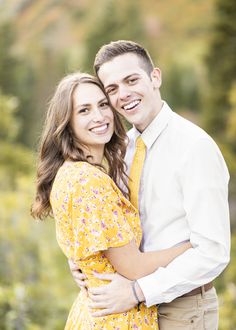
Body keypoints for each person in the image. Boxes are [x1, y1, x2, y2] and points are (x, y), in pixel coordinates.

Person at [70, 41, 231, 329]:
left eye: (132, 80)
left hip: (183, 308)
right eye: (113, 89)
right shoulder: (122, 148)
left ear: (155, 77)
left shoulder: (194, 147)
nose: (124, 94)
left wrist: (137, 291)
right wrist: (85, 262)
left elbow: (213, 252)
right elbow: (113, 226)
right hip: (133, 310)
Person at [31, 72, 192, 329]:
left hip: (95, 312)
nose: (99, 117)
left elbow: (88, 249)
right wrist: (193, 247)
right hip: (116, 319)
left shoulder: (72, 172)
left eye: (103, 104)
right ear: (67, 122)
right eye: (84, 110)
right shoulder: (88, 181)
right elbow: (133, 267)